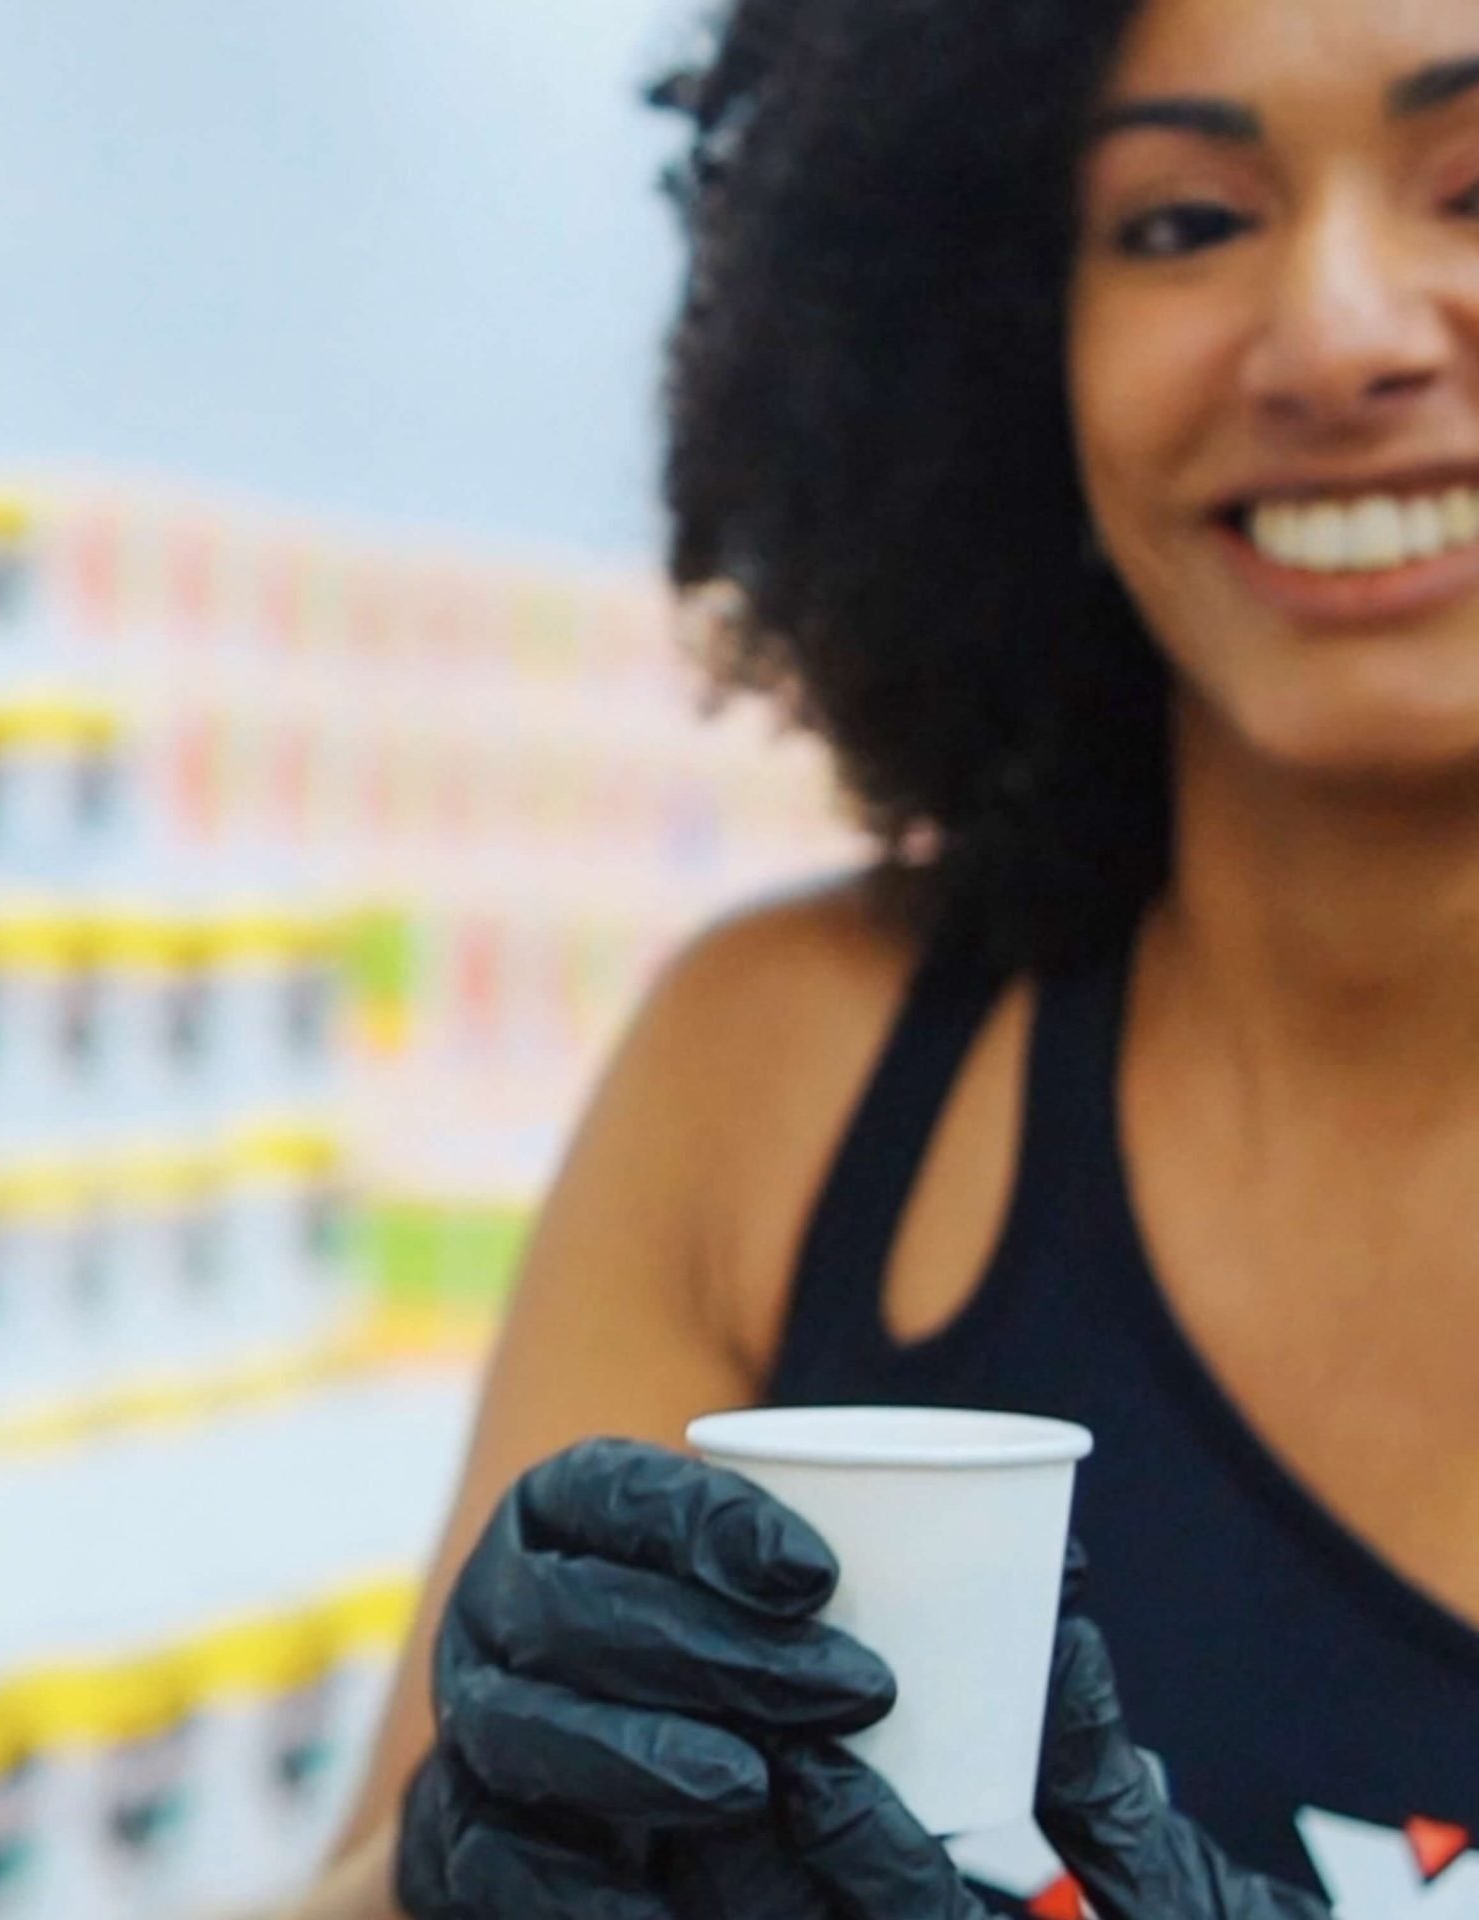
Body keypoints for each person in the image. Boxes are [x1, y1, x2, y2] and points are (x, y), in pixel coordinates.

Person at [286, 0, 1479, 1912]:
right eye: (1182, 221)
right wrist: (439, 1874)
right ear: (1008, 334)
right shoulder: (791, 1075)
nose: (1340, 335)